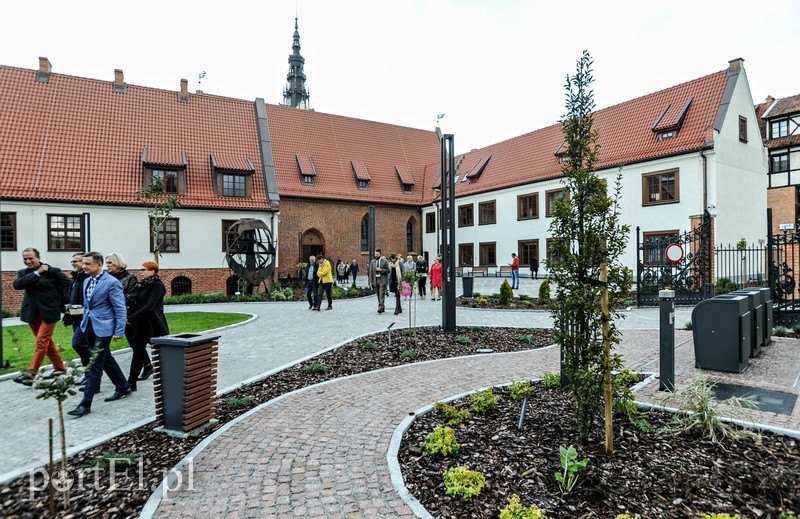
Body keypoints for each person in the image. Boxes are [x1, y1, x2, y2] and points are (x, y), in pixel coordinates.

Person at [67, 252, 133, 417]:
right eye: (83, 263)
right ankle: (123, 386)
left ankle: (85, 404)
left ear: (99, 265)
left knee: (95, 362)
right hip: (87, 325)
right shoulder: (87, 281)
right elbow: (88, 305)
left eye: (88, 264)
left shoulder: (112, 283)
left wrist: (119, 331)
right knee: (102, 357)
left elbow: (119, 308)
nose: (84, 266)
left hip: (104, 327)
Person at [12, 248, 70, 385]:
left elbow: (70, 285)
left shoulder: (53, 271)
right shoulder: (24, 273)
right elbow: (17, 285)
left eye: (31, 258)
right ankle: (60, 368)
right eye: (25, 259)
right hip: (31, 313)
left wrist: (61, 302)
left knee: (41, 342)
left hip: (49, 312)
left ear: (38, 257)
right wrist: (37, 273)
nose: (28, 261)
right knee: (46, 342)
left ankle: (31, 375)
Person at [126, 261, 169, 390]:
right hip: (141, 324)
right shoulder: (142, 285)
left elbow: (150, 306)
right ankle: (131, 383)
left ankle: (168, 379)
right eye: (141, 269)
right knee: (137, 353)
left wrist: (132, 317)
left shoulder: (157, 286)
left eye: (143, 269)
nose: (141, 272)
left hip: (154, 324)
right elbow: (137, 302)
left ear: (152, 271)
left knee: (162, 353)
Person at [105, 252, 139, 361]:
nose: (107, 265)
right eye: (107, 263)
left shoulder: (130, 278)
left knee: (134, 343)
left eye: (110, 262)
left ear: (118, 263)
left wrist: (112, 299)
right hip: (109, 314)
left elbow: (132, 296)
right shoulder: (106, 278)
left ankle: (147, 365)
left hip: (127, 313)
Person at [64, 252, 92, 371]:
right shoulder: (76, 278)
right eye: (72, 261)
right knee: (82, 346)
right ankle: (89, 373)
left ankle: (93, 370)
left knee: (78, 344)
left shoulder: (88, 278)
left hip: (85, 318)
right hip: (76, 318)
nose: (73, 263)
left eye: (76, 261)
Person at [368, 249, 390, 313]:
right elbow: (371, 272)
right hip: (375, 280)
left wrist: (381, 270)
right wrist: (370, 281)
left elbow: (388, 270)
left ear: (380, 254)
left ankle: (380, 307)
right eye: (375, 254)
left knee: (381, 294)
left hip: (382, 279)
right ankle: (382, 307)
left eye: (377, 254)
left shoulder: (385, 261)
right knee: (378, 294)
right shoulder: (372, 262)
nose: (376, 255)